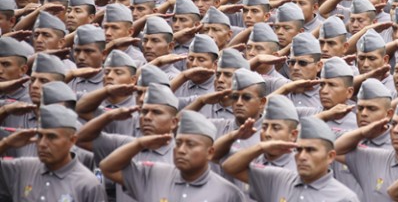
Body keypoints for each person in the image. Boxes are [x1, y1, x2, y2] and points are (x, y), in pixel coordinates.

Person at [100, 110, 246, 201]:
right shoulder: (155, 174)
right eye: (178, 143)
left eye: (190, 144)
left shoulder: (227, 193)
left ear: (210, 152)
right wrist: (139, 144)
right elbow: (108, 168)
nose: (181, 150)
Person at [222, 116, 360, 201]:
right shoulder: (280, 179)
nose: (302, 156)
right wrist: (261, 147)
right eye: (298, 150)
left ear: (330, 157)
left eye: (311, 150)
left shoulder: (343, 197)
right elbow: (229, 167)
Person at [0, 105, 107, 201]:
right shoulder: (22, 168)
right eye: (40, 136)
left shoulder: (88, 185)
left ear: (72, 140)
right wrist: (6, 143)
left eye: (51, 137)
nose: (42, 144)